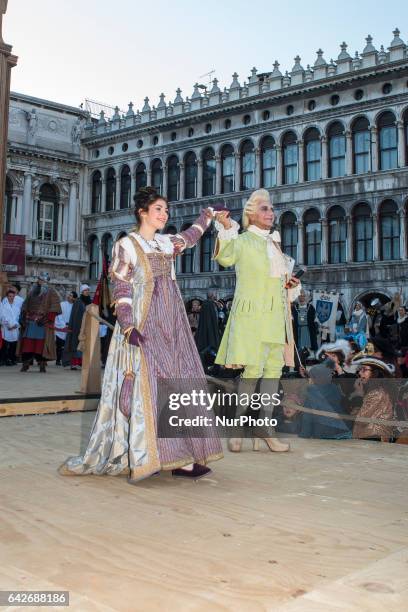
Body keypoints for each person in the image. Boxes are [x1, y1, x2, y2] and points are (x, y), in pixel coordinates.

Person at [59, 187, 223, 482]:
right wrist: (128, 325)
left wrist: (208, 214)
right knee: (151, 387)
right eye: (159, 209)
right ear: (143, 212)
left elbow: (191, 235)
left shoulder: (165, 242)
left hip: (172, 322)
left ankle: (182, 458)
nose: (165, 214)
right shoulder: (127, 245)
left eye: (166, 210)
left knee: (179, 383)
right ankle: (151, 456)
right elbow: (121, 288)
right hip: (143, 321)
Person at [214, 188, 300, 453]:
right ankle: (238, 428)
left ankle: (266, 429)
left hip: (276, 317)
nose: (271, 213)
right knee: (251, 372)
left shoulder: (275, 244)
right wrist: (226, 227)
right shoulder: (242, 240)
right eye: (264, 208)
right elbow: (225, 258)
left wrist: (291, 285)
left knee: (274, 371)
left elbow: (279, 282)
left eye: (272, 209)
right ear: (251, 213)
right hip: (251, 317)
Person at [19, 272, 61, 372]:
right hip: (31, 322)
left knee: (41, 345)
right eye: (39, 279)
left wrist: (46, 319)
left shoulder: (52, 292)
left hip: (42, 324)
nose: (40, 282)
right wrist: (24, 317)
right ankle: (25, 364)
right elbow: (25, 305)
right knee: (27, 344)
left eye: (43, 280)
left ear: (47, 281)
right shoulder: (32, 291)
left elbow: (56, 307)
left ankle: (42, 365)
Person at [352, 357, 395, 441]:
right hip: (371, 435)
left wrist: (358, 395)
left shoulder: (376, 393)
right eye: (360, 369)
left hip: (373, 436)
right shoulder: (375, 389)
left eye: (364, 370)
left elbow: (360, 419)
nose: (360, 373)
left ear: (375, 373)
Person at [62, 285, 91, 369]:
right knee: (75, 344)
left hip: (87, 327)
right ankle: (74, 363)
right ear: (82, 292)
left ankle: (83, 362)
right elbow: (74, 316)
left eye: (88, 290)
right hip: (77, 327)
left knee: (86, 345)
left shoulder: (90, 302)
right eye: (85, 290)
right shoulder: (78, 302)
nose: (87, 292)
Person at [292, 289, 318, 359]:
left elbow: (315, 320)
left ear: (306, 297)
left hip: (308, 330)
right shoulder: (294, 308)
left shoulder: (311, 308)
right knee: (299, 346)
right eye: (300, 296)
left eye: (303, 296)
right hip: (298, 330)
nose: (302, 297)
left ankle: (309, 357)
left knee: (308, 345)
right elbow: (292, 319)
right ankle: (299, 359)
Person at [195, 290, 221, 355]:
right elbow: (214, 317)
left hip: (205, 327)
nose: (216, 296)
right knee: (210, 342)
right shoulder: (210, 305)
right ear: (212, 296)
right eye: (215, 294)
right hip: (211, 327)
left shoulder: (205, 304)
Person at [54, 291, 76, 365]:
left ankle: (67, 360)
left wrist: (70, 325)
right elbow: (58, 315)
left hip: (70, 327)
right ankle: (58, 360)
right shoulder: (62, 304)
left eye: (71, 295)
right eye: (69, 295)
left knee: (68, 346)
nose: (69, 296)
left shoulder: (75, 306)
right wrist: (63, 325)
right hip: (61, 327)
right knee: (59, 345)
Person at [0, 287, 20, 365]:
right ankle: (4, 359)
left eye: (12, 296)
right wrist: (8, 325)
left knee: (13, 345)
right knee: (5, 345)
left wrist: (15, 325)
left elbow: (18, 318)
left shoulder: (17, 308)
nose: (11, 298)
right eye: (9, 296)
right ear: (7, 297)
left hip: (14, 328)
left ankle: (12, 359)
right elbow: (3, 317)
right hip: (6, 327)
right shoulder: (4, 306)